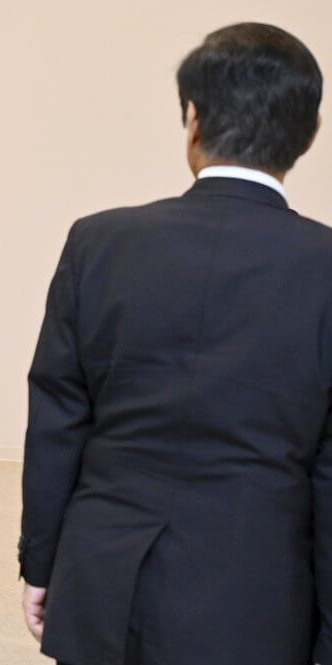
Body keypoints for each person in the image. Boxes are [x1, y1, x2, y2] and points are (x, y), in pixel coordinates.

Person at [19, 22, 326, 665]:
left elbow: (57, 423)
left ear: (192, 118)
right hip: (254, 597)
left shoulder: (98, 243)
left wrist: (43, 565)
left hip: (103, 578)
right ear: (308, 133)